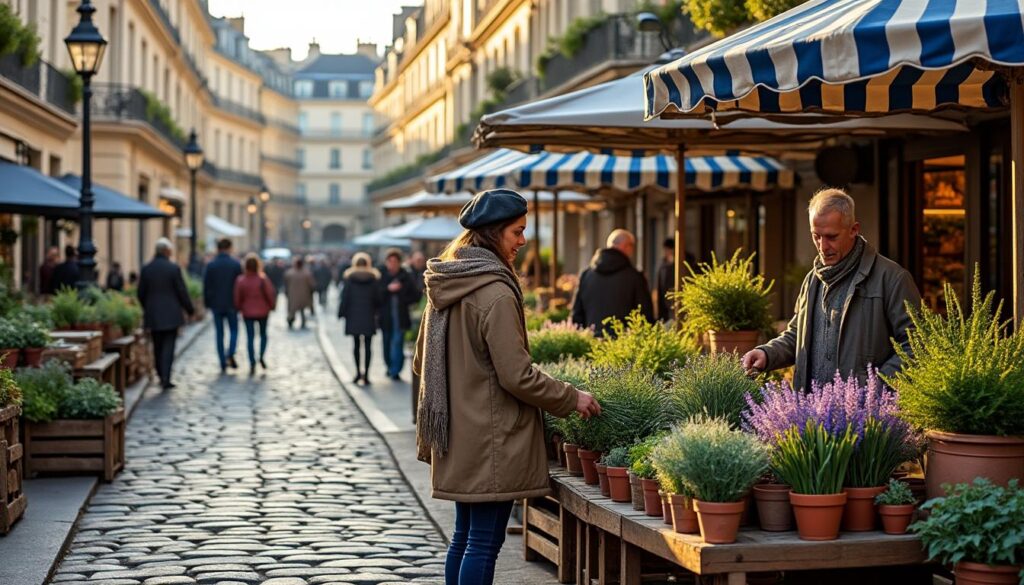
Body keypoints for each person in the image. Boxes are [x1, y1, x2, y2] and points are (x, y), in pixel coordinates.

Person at [412, 188, 601, 585]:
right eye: (517, 231)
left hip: (459, 435)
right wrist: (572, 397)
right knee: (482, 541)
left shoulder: (446, 282)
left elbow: (420, 362)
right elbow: (517, 376)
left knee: (464, 538)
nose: (523, 241)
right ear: (494, 233)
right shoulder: (494, 291)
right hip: (492, 438)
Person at [742, 188, 922, 390]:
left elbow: (917, 346)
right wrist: (767, 354)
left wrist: (873, 388)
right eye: (816, 236)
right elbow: (797, 335)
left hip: (868, 416)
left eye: (831, 237)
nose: (822, 246)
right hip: (811, 416)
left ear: (854, 229)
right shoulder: (812, 279)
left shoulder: (893, 279)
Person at [570, 229, 654, 336]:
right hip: (623, 346)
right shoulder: (634, 277)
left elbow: (576, 315)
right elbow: (644, 315)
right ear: (626, 246)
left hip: (591, 343)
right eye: (632, 246)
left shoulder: (586, 275)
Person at [138, 238, 194, 390]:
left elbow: (140, 293)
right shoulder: (173, 268)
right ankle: (165, 377)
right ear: (167, 251)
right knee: (168, 347)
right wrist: (189, 309)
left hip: (153, 314)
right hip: (171, 314)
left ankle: (160, 372)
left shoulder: (147, 268)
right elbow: (181, 291)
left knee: (157, 345)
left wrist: (147, 307)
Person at [338, 252, 380, 385]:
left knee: (356, 345)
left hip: (353, 315)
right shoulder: (373, 279)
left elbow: (345, 297)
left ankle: (357, 373)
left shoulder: (350, 278)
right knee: (368, 346)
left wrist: (341, 313)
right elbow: (377, 299)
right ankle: (366, 374)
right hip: (368, 315)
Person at [378, 248, 420, 381]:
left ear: (399, 262)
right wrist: (388, 289)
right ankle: (389, 366)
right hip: (385, 316)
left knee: (397, 342)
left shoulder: (405, 276)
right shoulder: (381, 276)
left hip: (400, 316)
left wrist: (403, 297)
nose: (392, 264)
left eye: (395, 261)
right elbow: (376, 296)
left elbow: (416, 295)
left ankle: (395, 370)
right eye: (390, 261)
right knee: (386, 342)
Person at [203, 239, 242, 374]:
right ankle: (230, 352)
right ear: (229, 248)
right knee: (234, 330)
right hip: (232, 303)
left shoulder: (211, 265)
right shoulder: (236, 264)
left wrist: (207, 303)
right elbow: (239, 285)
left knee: (219, 333)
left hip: (216, 303)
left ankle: (222, 361)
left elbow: (206, 286)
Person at [233, 253, 276, 376]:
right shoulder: (263, 279)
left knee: (250, 337)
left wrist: (239, 308)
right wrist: (272, 306)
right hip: (263, 311)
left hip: (247, 312)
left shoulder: (241, 280)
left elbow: (237, 298)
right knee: (263, 335)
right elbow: (270, 294)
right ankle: (261, 355)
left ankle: (252, 361)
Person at [654, 238, 695, 322]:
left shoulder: (685, 262)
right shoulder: (663, 265)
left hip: (681, 302)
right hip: (667, 304)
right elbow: (660, 286)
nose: (666, 252)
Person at [284, 256, 316, 329]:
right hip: (304, 295)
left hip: (293, 295)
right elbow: (312, 284)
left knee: (292, 310)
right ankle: (302, 322)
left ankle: (291, 320)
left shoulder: (290, 273)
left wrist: (286, 292)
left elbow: (286, 284)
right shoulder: (306, 273)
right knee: (302, 310)